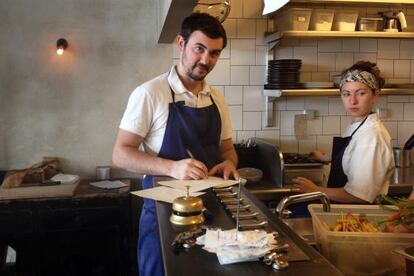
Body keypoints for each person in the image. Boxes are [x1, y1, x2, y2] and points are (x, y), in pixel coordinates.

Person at [112, 13, 239, 276]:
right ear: (181, 44)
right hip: (164, 215)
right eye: (199, 49)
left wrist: (229, 163)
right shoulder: (150, 93)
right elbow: (121, 154)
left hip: (212, 213)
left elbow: (227, 150)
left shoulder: (217, 98)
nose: (206, 60)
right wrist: (172, 168)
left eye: (214, 53)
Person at [293, 61, 394, 205]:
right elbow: (350, 153)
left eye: (361, 93)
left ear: (375, 95)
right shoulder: (359, 125)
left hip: (357, 215)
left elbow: (359, 196)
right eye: (346, 94)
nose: (352, 101)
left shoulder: (372, 137)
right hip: (343, 208)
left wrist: (315, 189)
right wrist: (325, 157)